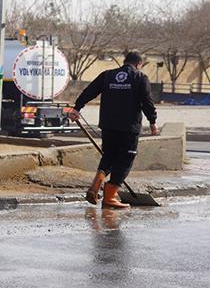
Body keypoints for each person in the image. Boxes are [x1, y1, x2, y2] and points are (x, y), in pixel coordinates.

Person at [68, 51, 158, 209]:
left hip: (108, 125)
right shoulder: (140, 77)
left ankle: (95, 186)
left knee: (109, 156)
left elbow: (89, 91)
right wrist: (153, 121)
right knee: (125, 160)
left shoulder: (107, 75)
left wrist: (77, 108)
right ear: (138, 64)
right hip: (129, 127)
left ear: (124, 62)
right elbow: (147, 102)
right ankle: (109, 197)